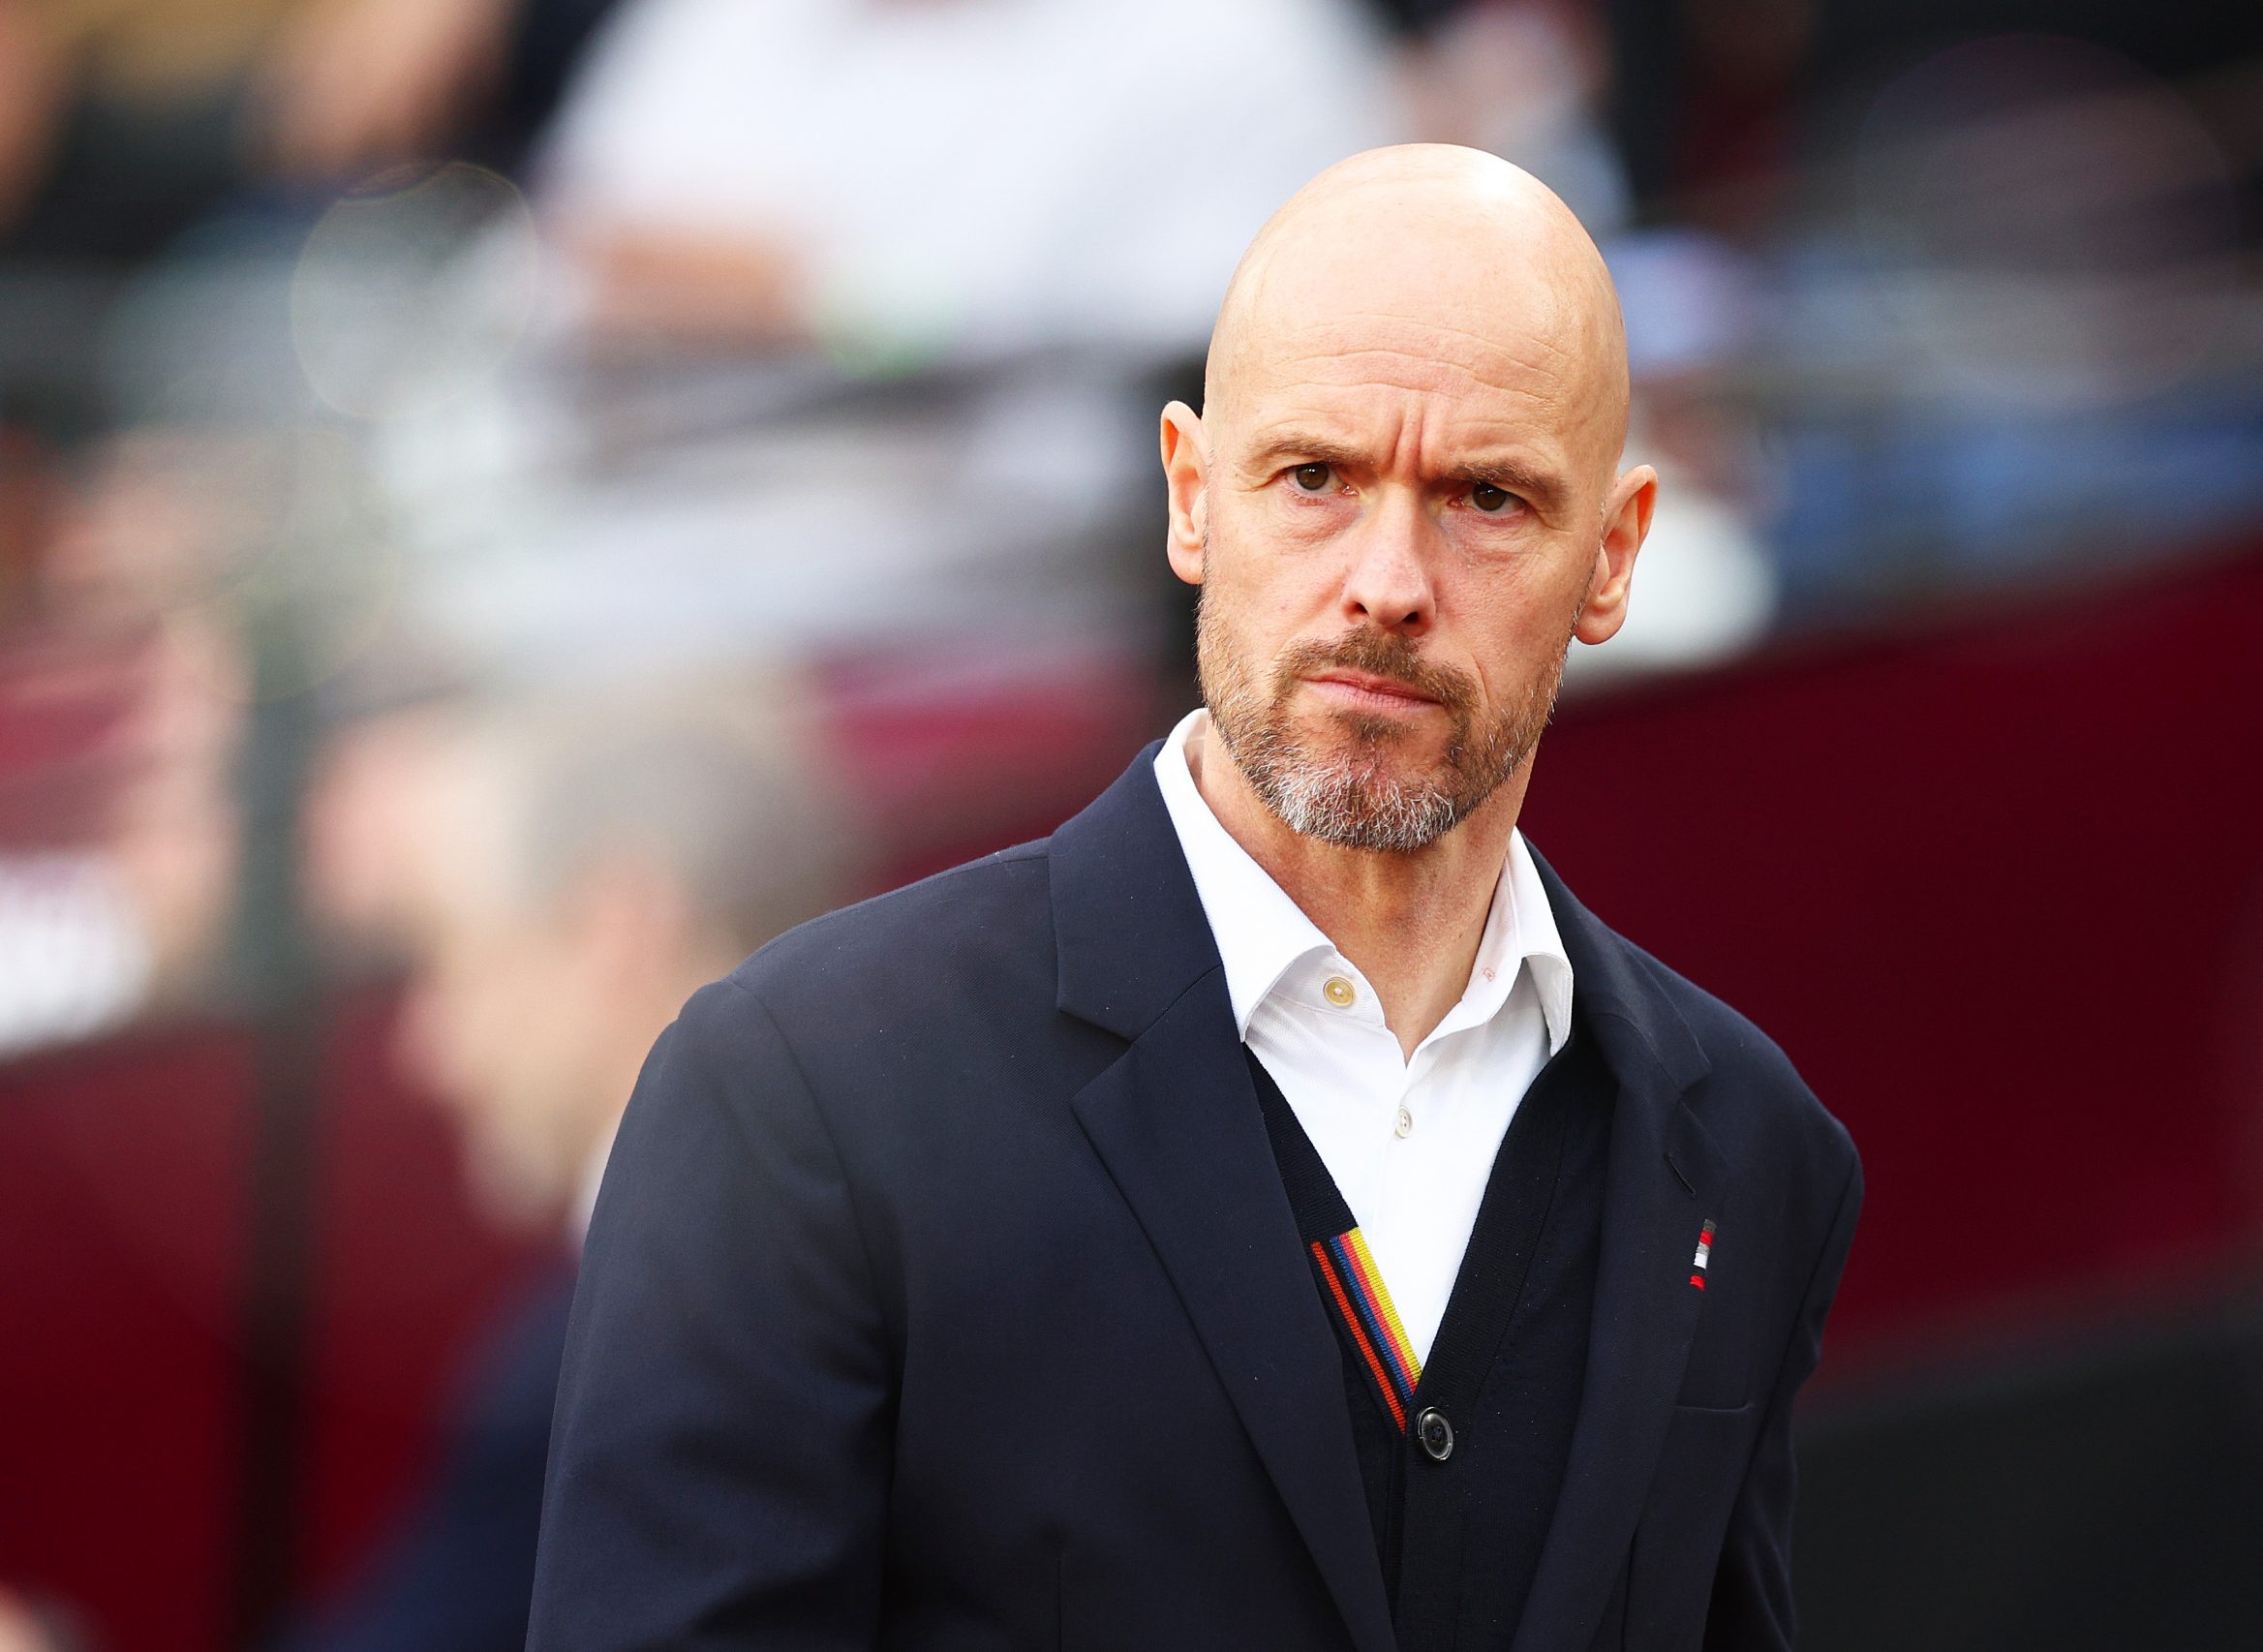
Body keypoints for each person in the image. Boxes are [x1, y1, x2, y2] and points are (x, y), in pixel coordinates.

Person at [531, 146, 1863, 1652]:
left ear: (1612, 556)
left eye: (1486, 497)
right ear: (1189, 497)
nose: (1386, 579)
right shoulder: (804, 1091)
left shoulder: (1747, 1148)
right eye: (1315, 477)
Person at [288, 684, 834, 1652]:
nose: (424, 1048)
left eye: (445, 955)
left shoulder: (609, 1359)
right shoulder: (917, 1246)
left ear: (616, 927)